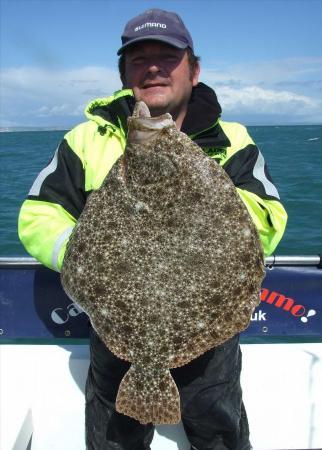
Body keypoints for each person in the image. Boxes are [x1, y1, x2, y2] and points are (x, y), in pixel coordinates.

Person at [18, 8, 287, 450]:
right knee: (114, 438)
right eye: (139, 59)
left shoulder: (233, 139)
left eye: (167, 56)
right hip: (116, 326)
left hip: (207, 329)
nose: (154, 67)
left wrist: (195, 227)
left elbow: (268, 216)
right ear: (124, 72)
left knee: (220, 431)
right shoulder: (86, 140)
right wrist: (91, 259)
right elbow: (38, 216)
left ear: (194, 69)